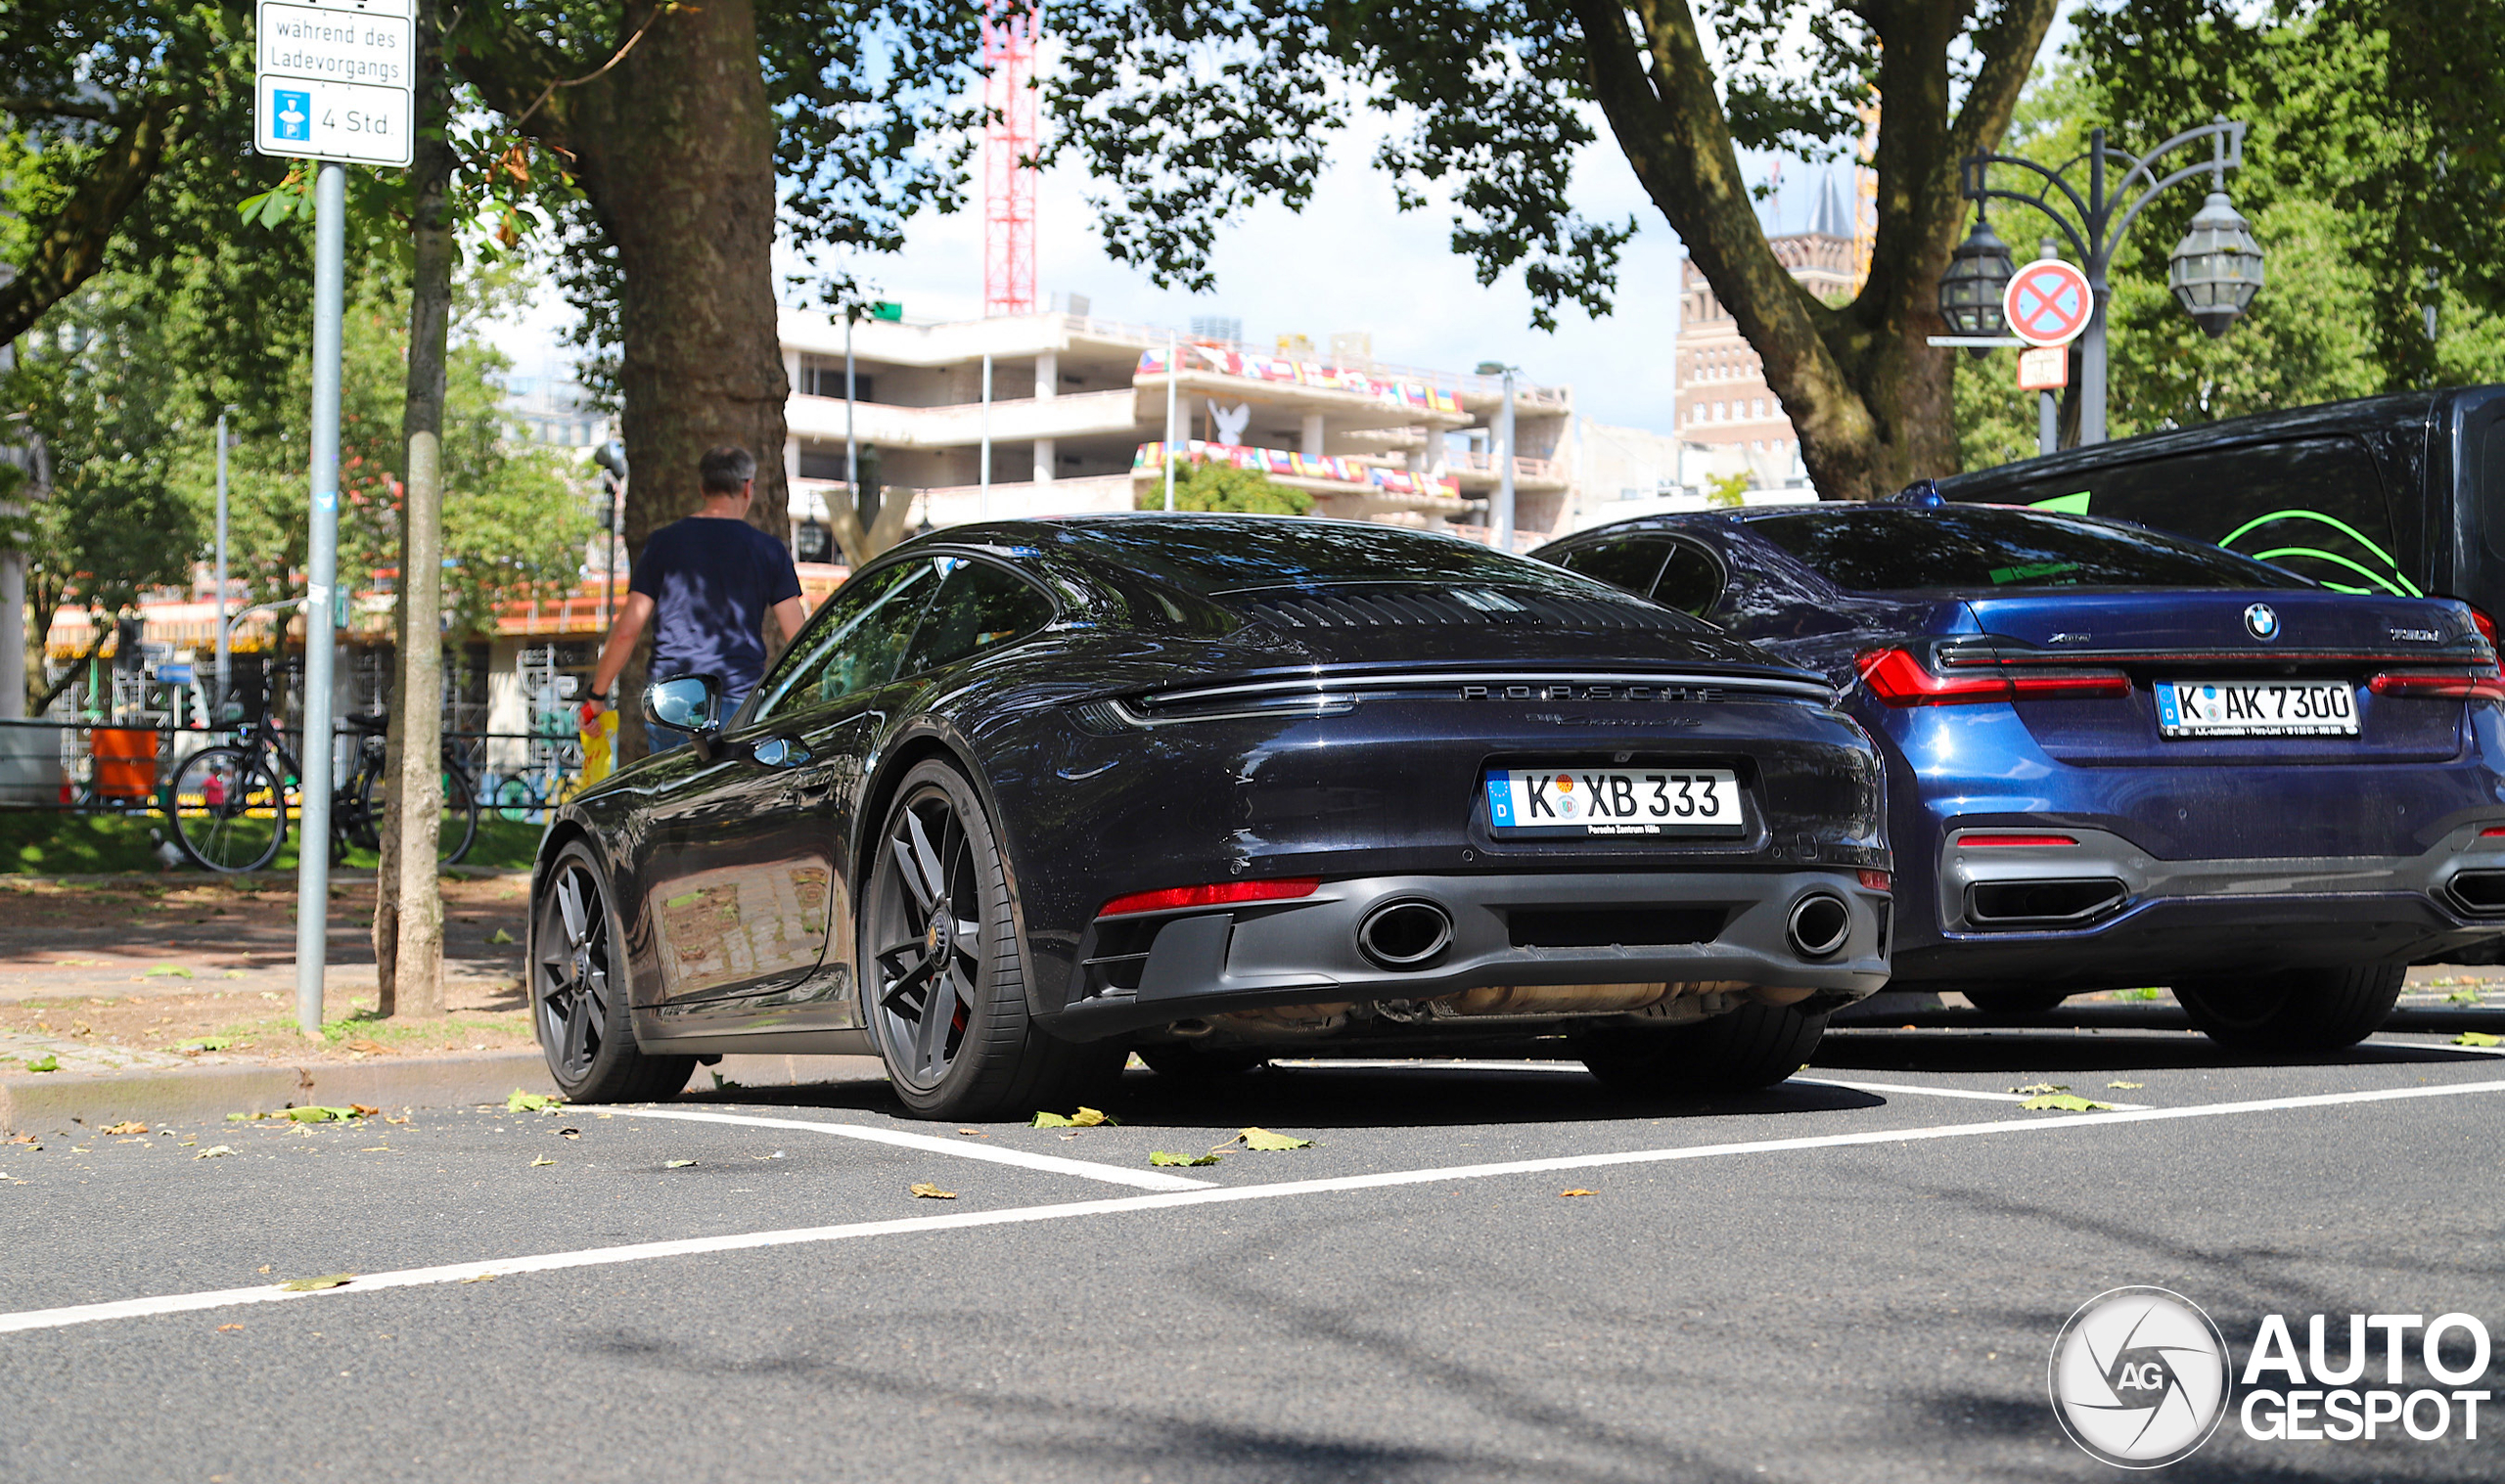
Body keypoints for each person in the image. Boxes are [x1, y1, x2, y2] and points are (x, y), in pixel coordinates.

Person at [584, 444, 807, 750]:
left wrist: (596, 697)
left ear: (702, 488)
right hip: (737, 698)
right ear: (747, 488)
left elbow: (627, 630)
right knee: (730, 797)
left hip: (671, 700)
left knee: (675, 797)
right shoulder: (768, 550)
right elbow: (798, 636)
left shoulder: (663, 543)